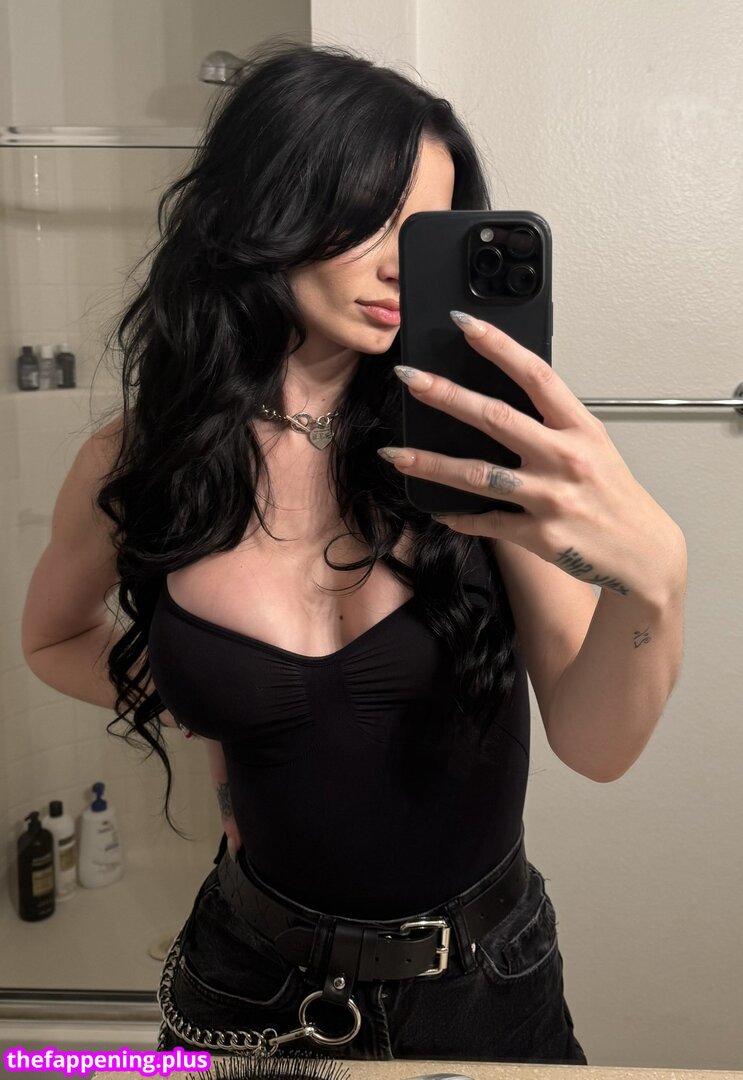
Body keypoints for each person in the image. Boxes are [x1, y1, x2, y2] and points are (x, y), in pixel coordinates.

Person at [22, 36, 686, 1066]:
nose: (396, 265)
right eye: (369, 217)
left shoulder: (477, 449)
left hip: (480, 982)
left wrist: (654, 581)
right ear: (267, 203)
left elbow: (597, 746)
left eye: (423, 231)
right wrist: (210, 699)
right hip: (245, 978)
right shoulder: (145, 456)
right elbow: (52, 638)